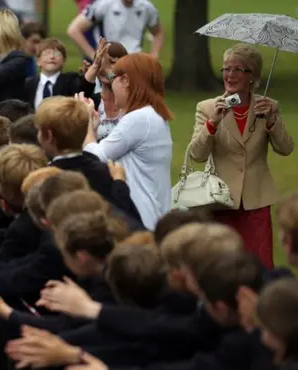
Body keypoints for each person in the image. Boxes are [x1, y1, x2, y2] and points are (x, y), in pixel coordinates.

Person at [187, 44, 295, 269]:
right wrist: (212, 123)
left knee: (260, 266)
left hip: (256, 202)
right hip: (221, 203)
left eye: (238, 69)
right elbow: (196, 154)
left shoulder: (267, 106)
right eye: (226, 69)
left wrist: (273, 122)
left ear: (253, 76)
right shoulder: (207, 108)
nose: (230, 75)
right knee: (222, 267)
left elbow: (286, 148)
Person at [83, 52, 173, 230]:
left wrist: (85, 120)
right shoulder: (151, 115)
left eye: (113, 78)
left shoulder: (139, 119)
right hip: (153, 215)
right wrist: (93, 130)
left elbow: (94, 158)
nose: (108, 84)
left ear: (125, 81)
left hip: (141, 218)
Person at [67, 0, 163, 61]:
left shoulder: (147, 7)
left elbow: (158, 32)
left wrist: (154, 55)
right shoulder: (104, 4)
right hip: (110, 63)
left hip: (135, 63)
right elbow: (74, 30)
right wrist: (93, 56)